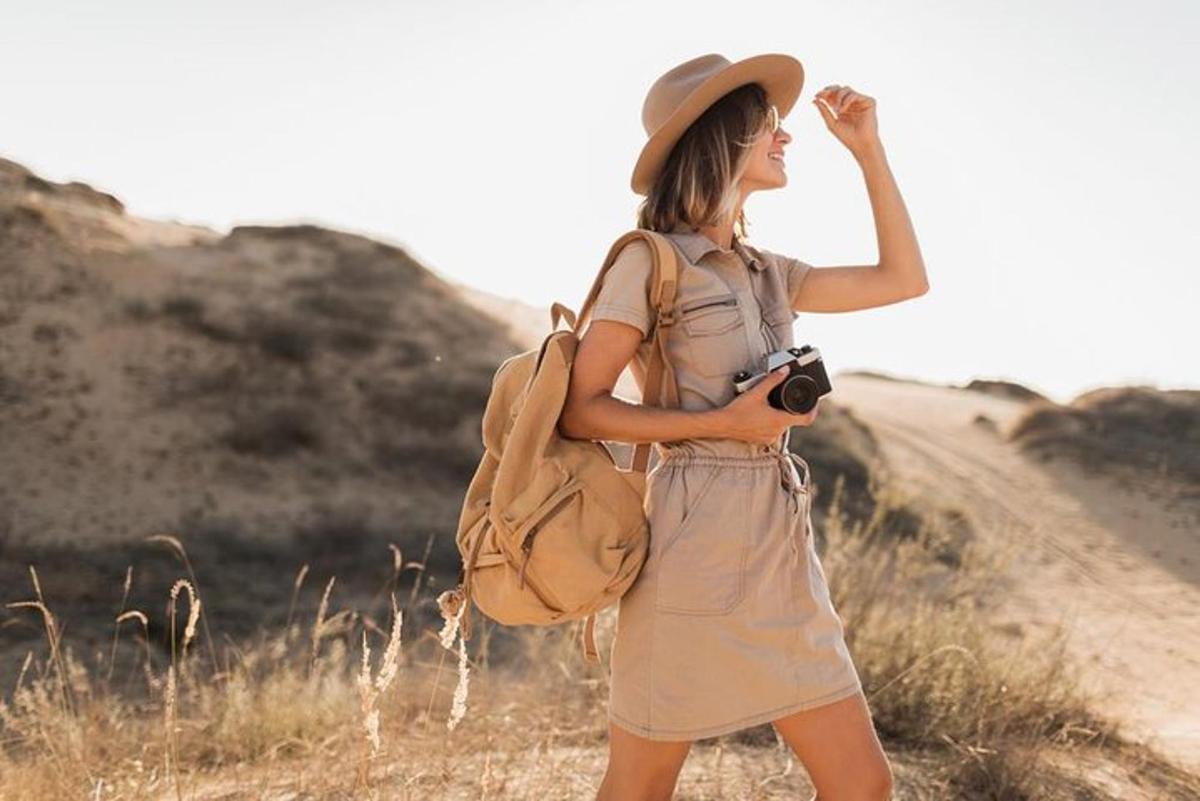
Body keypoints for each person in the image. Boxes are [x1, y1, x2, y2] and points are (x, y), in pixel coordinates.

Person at [559, 53, 927, 801]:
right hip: (691, 537)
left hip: (782, 540)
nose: (786, 137)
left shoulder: (767, 271)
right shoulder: (652, 262)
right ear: (723, 136)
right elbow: (580, 406)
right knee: (639, 785)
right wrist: (725, 419)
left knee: (863, 784)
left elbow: (904, 279)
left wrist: (869, 150)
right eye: (769, 125)